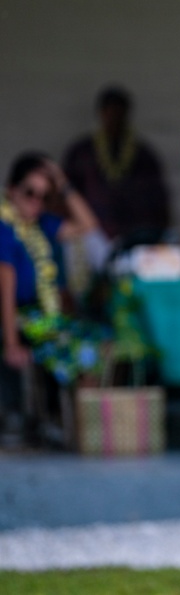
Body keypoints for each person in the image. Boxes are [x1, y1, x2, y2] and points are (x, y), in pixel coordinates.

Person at [0, 152, 106, 442]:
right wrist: (10, 344)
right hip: (20, 320)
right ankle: (75, 428)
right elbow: (5, 290)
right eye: (30, 193)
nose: (36, 202)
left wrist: (63, 184)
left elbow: (88, 226)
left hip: (44, 319)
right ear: (11, 191)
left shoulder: (41, 224)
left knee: (101, 339)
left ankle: (87, 429)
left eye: (44, 197)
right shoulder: (4, 228)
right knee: (80, 348)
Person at [63, 86, 171, 248]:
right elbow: (66, 194)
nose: (114, 120)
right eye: (110, 113)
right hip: (92, 237)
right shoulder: (82, 153)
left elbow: (159, 200)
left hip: (139, 238)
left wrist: (159, 236)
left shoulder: (143, 155)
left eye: (119, 114)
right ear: (101, 113)